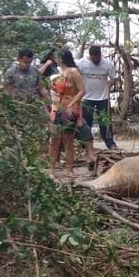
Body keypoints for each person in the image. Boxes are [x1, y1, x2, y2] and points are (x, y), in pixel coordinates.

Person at [46, 49, 92, 179]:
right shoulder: (58, 73)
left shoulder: (73, 71)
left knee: (68, 141)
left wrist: (72, 103)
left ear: (62, 58)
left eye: (57, 57)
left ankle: (69, 169)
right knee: (54, 140)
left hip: (69, 110)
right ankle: (52, 168)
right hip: (56, 108)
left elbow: (82, 91)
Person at [78, 44, 118, 150]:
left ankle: (110, 143)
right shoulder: (81, 63)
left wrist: (110, 84)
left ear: (100, 55)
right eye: (93, 58)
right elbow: (76, 78)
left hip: (103, 98)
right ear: (90, 55)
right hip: (86, 98)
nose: (95, 60)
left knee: (105, 122)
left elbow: (113, 78)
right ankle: (84, 145)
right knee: (86, 123)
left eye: (97, 57)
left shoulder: (107, 64)